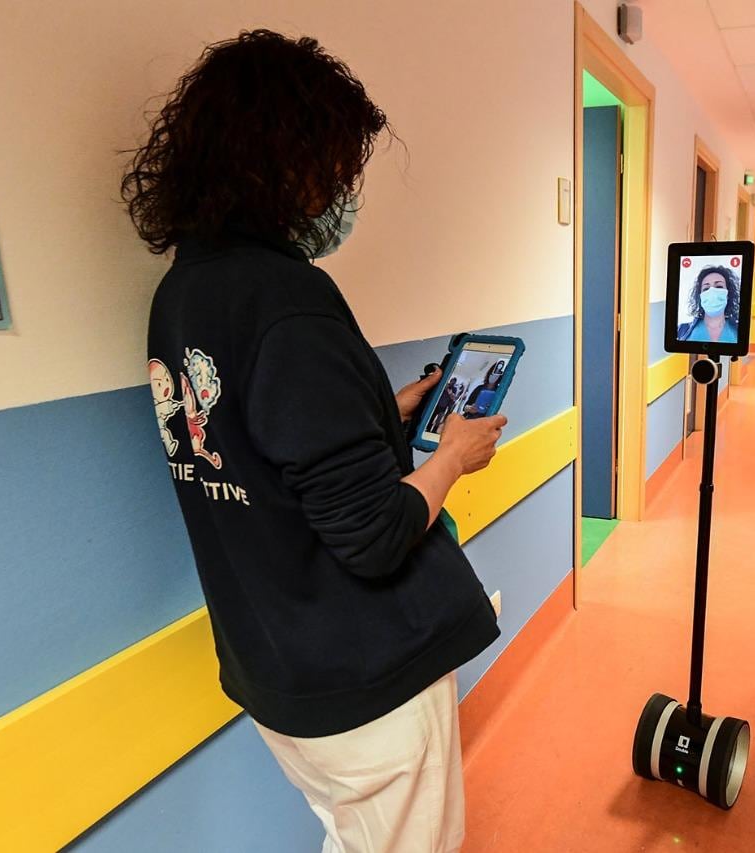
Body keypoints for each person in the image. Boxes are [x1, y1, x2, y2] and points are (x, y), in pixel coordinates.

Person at [125, 31, 504, 851]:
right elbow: (370, 536)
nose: (339, 189)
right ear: (276, 163)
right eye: (332, 167)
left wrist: (383, 416)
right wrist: (450, 459)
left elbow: (264, 447)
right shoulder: (288, 300)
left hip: (278, 670)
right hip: (366, 681)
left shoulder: (182, 293)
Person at [677, 266, 740, 343]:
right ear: (700, 296)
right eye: (706, 289)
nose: (712, 292)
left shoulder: (739, 330)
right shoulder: (681, 330)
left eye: (719, 286)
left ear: (728, 294)